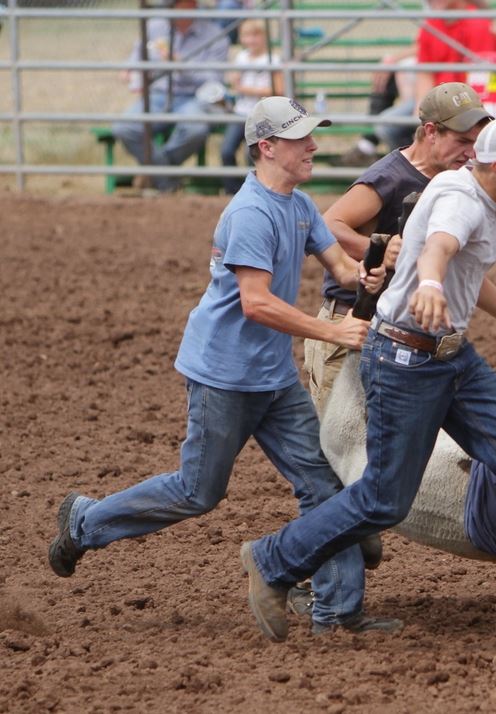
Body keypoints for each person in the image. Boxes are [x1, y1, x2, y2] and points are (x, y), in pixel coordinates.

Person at [239, 116, 496, 656]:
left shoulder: (476, 193)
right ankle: (273, 560)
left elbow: (465, 269)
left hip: (452, 357)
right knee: (383, 499)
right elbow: (440, 248)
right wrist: (427, 282)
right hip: (405, 360)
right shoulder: (460, 201)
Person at [48, 96, 398, 638]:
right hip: (224, 375)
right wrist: (331, 329)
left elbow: (340, 266)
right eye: (302, 138)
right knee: (198, 491)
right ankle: (85, 522)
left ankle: (337, 612)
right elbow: (255, 302)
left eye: (312, 136)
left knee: (322, 484)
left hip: (272, 377)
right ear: (267, 147)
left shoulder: (299, 205)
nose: (314, 146)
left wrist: (365, 275)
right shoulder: (250, 213)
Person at [306, 81, 496, 415]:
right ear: (431, 132)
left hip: (393, 333)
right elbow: (329, 223)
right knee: (339, 443)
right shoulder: (390, 178)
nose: (469, 153)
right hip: (351, 321)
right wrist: (377, 247)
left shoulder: (453, 178)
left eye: (475, 144)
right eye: (462, 141)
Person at [349, 0, 496, 163]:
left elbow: (479, 81)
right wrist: (420, 113)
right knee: (387, 125)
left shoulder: (478, 23)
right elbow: (424, 72)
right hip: (437, 98)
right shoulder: (431, 23)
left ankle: (439, 166)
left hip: (464, 102)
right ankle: (416, 169)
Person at [113, 0, 230, 193]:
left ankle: (154, 173)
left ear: (192, 5)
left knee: (195, 129)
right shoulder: (154, 26)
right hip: (157, 94)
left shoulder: (215, 36)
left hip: (194, 97)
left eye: (176, 3)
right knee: (125, 127)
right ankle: (167, 180)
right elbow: (136, 56)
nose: (169, 6)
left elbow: (214, 78)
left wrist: (181, 66)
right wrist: (129, 70)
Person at [221, 19, 283, 194]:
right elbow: (234, 81)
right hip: (241, 112)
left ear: (264, 37)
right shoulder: (241, 57)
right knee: (226, 150)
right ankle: (232, 190)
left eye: (256, 35)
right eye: (247, 35)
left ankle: (254, 191)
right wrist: (236, 83)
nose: (251, 40)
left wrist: (244, 88)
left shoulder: (273, 59)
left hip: (262, 116)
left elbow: (277, 89)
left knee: (252, 156)